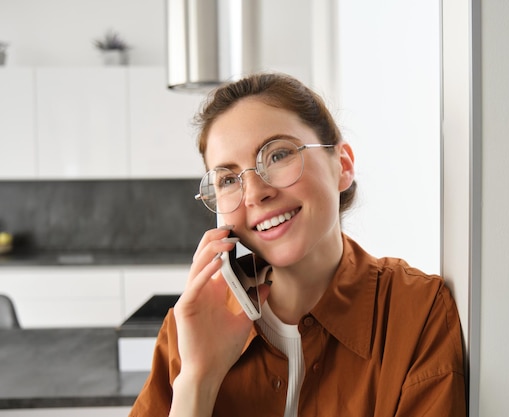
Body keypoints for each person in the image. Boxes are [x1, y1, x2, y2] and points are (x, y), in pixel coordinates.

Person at [129, 73, 466, 417]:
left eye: (277, 156)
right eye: (229, 179)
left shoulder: (417, 313)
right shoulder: (191, 328)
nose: (256, 192)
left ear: (343, 166)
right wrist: (198, 381)